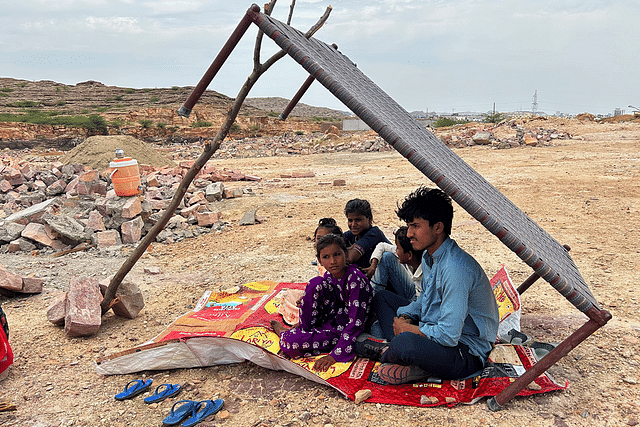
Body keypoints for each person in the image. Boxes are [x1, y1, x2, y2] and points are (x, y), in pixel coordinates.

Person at [357, 186, 499, 385]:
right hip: (432, 328)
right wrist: (406, 317)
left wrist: (409, 330)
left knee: (404, 343)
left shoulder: (455, 269)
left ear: (438, 228)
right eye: (409, 226)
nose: (409, 234)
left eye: (415, 226)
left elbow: (449, 336)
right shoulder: (429, 256)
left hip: (463, 351)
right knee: (382, 298)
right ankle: (406, 358)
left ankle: (390, 351)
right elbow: (424, 299)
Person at [271, 233, 373, 372]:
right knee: (315, 283)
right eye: (326, 257)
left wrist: (333, 356)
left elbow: (355, 323)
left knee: (290, 342)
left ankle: (284, 333)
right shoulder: (329, 276)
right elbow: (327, 299)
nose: (332, 261)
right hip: (331, 319)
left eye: (337, 254)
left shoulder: (355, 280)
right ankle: (306, 328)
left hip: (345, 330)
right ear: (319, 260)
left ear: (346, 254)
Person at [362, 226, 423, 302]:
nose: (396, 250)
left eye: (397, 248)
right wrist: (373, 265)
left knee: (382, 297)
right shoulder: (410, 255)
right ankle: (371, 296)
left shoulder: (426, 271)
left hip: (418, 302)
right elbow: (382, 246)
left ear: (409, 255)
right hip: (412, 293)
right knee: (387, 256)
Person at [342, 199, 390, 270]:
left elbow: (351, 258)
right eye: (350, 220)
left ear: (370, 219)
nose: (353, 224)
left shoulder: (374, 234)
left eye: (358, 220)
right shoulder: (350, 235)